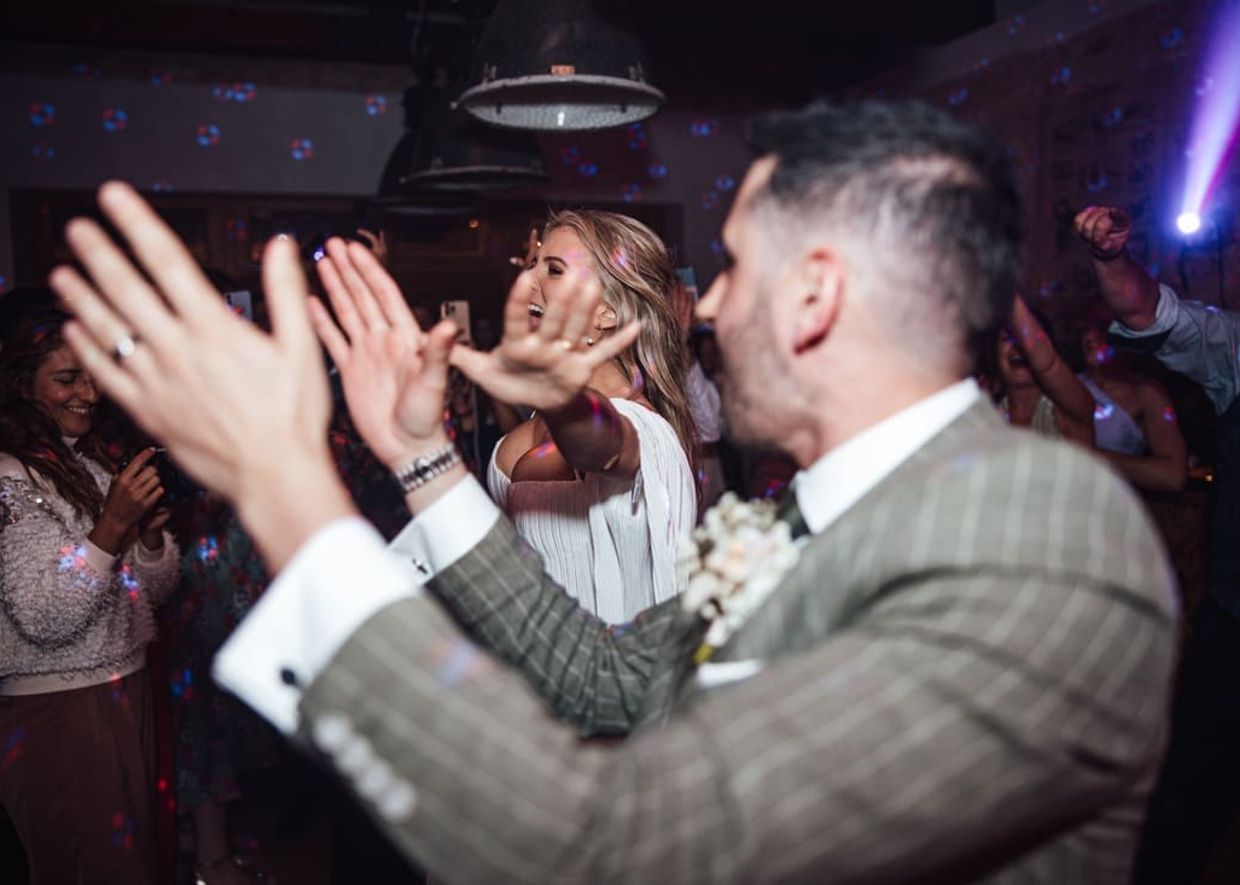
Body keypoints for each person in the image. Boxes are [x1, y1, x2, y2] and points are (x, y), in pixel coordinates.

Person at [53, 102, 1176, 884]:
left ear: (818, 297)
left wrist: (283, 480)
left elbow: (621, 841)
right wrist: (418, 456)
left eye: (724, 269)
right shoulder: (802, 516)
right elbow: (604, 676)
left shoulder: (1033, 531)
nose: (704, 309)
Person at [313, 211, 697, 623]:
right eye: (531, 265)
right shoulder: (533, 421)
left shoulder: (639, 424)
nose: (526, 282)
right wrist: (416, 445)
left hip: (607, 676)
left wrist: (555, 393)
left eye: (553, 269)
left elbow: (598, 445)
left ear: (606, 313)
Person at [1075, 204, 1237, 883]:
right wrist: (1112, 259)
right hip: (1233, 624)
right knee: (1183, 803)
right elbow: (1151, 313)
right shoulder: (1233, 346)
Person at [0, 296, 179, 885]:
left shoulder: (90, 465)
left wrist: (147, 541)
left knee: (133, 862)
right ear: (24, 385)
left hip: (121, 687)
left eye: (93, 377)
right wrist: (110, 527)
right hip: (57, 706)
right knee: (87, 865)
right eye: (67, 378)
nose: (88, 394)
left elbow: (148, 594)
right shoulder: (8, 478)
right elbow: (43, 614)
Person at [1077, 307, 1187, 493]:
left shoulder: (1147, 394)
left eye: (1102, 328)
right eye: (1085, 329)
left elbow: (1173, 476)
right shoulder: (1068, 384)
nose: (1089, 337)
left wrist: (1091, 456)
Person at [995, 296, 1095, 445]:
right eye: (1008, 337)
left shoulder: (1068, 409)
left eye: (1025, 339)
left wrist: (1006, 288)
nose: (1018, 346)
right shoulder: (989, 417)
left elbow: (1049, 365)